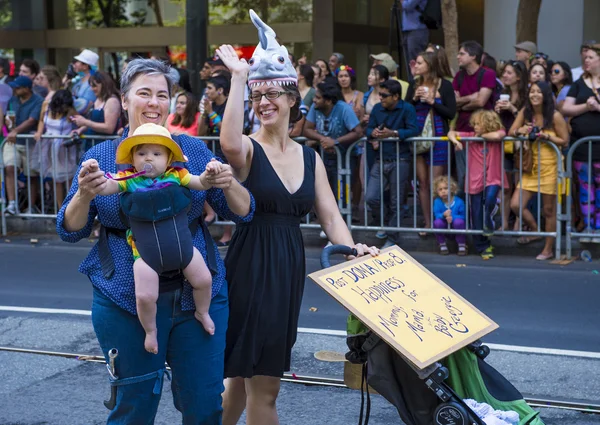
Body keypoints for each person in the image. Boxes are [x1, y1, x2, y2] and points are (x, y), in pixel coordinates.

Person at [56, 58, 254, 423]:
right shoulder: (100, 156)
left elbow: (242, 211)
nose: (154, 102)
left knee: (205, 402)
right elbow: (71, 229)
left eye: (162, 95)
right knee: (133, 405)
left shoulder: (190, 151)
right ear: (125, 99)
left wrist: (227, 180)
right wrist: (84, 195)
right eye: (143, 93)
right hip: (124, 297)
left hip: (195, 291)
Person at [215, 10, 377, 425]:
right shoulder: (248, 148)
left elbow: (330, 215)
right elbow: (229, 142)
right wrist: (237, 78)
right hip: (249, 265)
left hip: (287, 267)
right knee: (255, 383)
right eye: (257, 97)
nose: (264, 103)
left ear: (292, 100)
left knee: (242, 380)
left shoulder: (310, 157)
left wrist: (352, 248)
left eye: (272, 95)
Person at [92, 123, 224, 353]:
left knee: (203, 280)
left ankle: (202, 312)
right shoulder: (129, 178)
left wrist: (209, 174)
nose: (148, 159)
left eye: (156, 153)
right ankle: (151, 332)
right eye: (141, 153)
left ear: (169, 158)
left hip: (183, 248)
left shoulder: (178, 175)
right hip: (145, 254)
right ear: (132, 158)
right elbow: (107, 187)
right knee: (144, 296)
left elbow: (200, 183)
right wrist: (95, 176)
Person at [509, 81, 568, 260]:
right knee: (516, 204)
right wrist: (521, 129)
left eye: (538, 92)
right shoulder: (525, 112)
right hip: (531, 165)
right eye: (531, 91)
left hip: (551, 165)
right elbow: (512, 131)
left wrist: (546, 136)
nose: (534, 95)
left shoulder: (555, 115)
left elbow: (565, 140)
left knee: (549, 210)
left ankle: (548, 248)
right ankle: (536, 230)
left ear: (545, 95)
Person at [405, 51, 457, 234]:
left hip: (439, 137)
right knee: (423, 182)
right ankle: (428, 222)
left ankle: (440, 221)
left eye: (419, 63)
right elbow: (405, 110)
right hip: (418, 138)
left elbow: (451, 112)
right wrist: (413, 99)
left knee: (437, 183)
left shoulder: (445, 85)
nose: (416, 66)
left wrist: (432, 101)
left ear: (430, 64)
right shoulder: (414, 84)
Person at [365, 79, 420, 249]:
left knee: (397, 200)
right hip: (381, 158)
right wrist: (372, 132)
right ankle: (386, 222)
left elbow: (414, 129)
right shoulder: (377, 109)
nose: (380, 98)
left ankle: (392, 237)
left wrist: (393, 133)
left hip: (400, 159)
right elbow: (368, 129)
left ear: (396, 96)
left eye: (384, 95)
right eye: (380, 94)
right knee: (371, 197)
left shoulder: (407, 108)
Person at [448, 110, 507, 260]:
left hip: (493, 177)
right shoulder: (470, 137)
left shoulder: (495, 134)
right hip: (474, 179)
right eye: (474, 124)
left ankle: (492, 218)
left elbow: (499, 135)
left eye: (478, 124)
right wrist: (456, 141)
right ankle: (484, 246)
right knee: (476, 215)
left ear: (488, 123)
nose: (474, 127)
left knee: (490, 199)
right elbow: (452, 133)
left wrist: (480, 136)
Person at [562, 43, 600, 242]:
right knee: (586, 187)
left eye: (591, 57)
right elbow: (567, 109)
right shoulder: (578, 84)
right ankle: (587, 227)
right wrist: (586, 106)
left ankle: (599, 227)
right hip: (582, 146)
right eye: (585, 57)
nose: (586, 60)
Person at [304, 82, 363, 201]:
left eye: (318, 97)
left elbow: (358, 132)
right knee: (323, 191)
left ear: (329, 101)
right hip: (324, 155)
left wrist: (335, 142)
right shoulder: (316, 108)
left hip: (345, 156)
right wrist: (323, 139)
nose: (314, 100)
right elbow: (306, 129)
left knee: (342, 194)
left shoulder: (344, 108)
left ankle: (344, 217)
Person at [453, 41, 497, 196]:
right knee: (463, 176)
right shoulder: (459, 76)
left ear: (473, 56)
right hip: (462, 132)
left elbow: (481, 101)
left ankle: (481, 216)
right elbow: (454, 102)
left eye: (462, 53)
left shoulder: (488, 74)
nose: (458, 56)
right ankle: (465, 216)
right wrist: (471, 97)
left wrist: (463, 103)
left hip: (482, 133)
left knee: (482, 178)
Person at [3, 76, 44, 216]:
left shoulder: (38, 100)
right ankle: (12, 204)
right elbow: (7, 114)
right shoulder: (13, 99)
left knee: (31, 174)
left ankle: (31, 206)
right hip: (12, 141)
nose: (15, 89)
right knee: (9, 167)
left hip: (29, 142)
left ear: (27, 89)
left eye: (18, 87)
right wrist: (8, 123)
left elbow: (32, 120)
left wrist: (15, 131)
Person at [495, 60, 528, 230]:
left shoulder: (528, 95)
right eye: (504, 72)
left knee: (519, 185)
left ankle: (519, 222)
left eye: (509, 73)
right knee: (506, 187)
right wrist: (497, 111)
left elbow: (528, 120)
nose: (505, 76)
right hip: (505, 144)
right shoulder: (501, 93)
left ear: (518, 77)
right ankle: (504, 222)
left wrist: (513, 109)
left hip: (521, 146)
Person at [32, 89, 78, 208]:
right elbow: (42, 120)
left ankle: (71, 208)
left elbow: (80, 122)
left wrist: (76, 132)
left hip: (64, 148)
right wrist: (39, 132)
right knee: (57, 179)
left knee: (69, 179)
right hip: (49, 147)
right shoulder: (46, 105)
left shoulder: (69, 111)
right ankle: (60, 208)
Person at [71, 70, 122, 150]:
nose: (92, 89)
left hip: (105, 147)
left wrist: (85, 122)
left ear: (104, 85)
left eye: (94, 86)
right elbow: (93, 121)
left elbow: (109, 128)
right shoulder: (98, 99)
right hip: (92, 146)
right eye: (91, 86)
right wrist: (79, 130)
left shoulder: (112, 101)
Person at [432, 175, 466, 255]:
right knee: (437, 222)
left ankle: (462, 244)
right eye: (440, 189)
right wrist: (443, 216)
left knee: (459, 222)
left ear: (452, 189)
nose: (443, 191)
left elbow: (463, 216)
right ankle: (442, 244)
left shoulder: (459, 201)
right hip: (444, 225)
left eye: (446, 188)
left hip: (456, 226)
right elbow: (436, 215)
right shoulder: (437, 201)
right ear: (436, 192)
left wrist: (452, 217)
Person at [69, 49, 99, 115]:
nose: (75, 64)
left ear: (85, 66)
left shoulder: (92, 82)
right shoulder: (80, 79)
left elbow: (86, 105)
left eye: (77, 62)